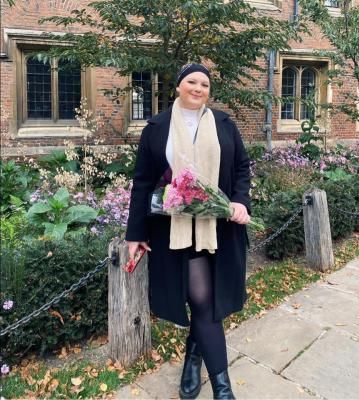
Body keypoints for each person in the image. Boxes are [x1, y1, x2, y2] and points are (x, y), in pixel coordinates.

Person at [125, 63, 251, 400]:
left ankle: (193, 360)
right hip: (174, 230)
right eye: (191, 82)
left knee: (207, 303)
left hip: (220, 228)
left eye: (205, 84)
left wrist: (240, 202)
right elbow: (142, 182)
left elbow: (241, 167)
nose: (198, 88)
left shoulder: (224, 123)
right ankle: (223, 390)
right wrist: (134, 234)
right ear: (178, 86)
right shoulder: (156, 127)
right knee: (201, 299)